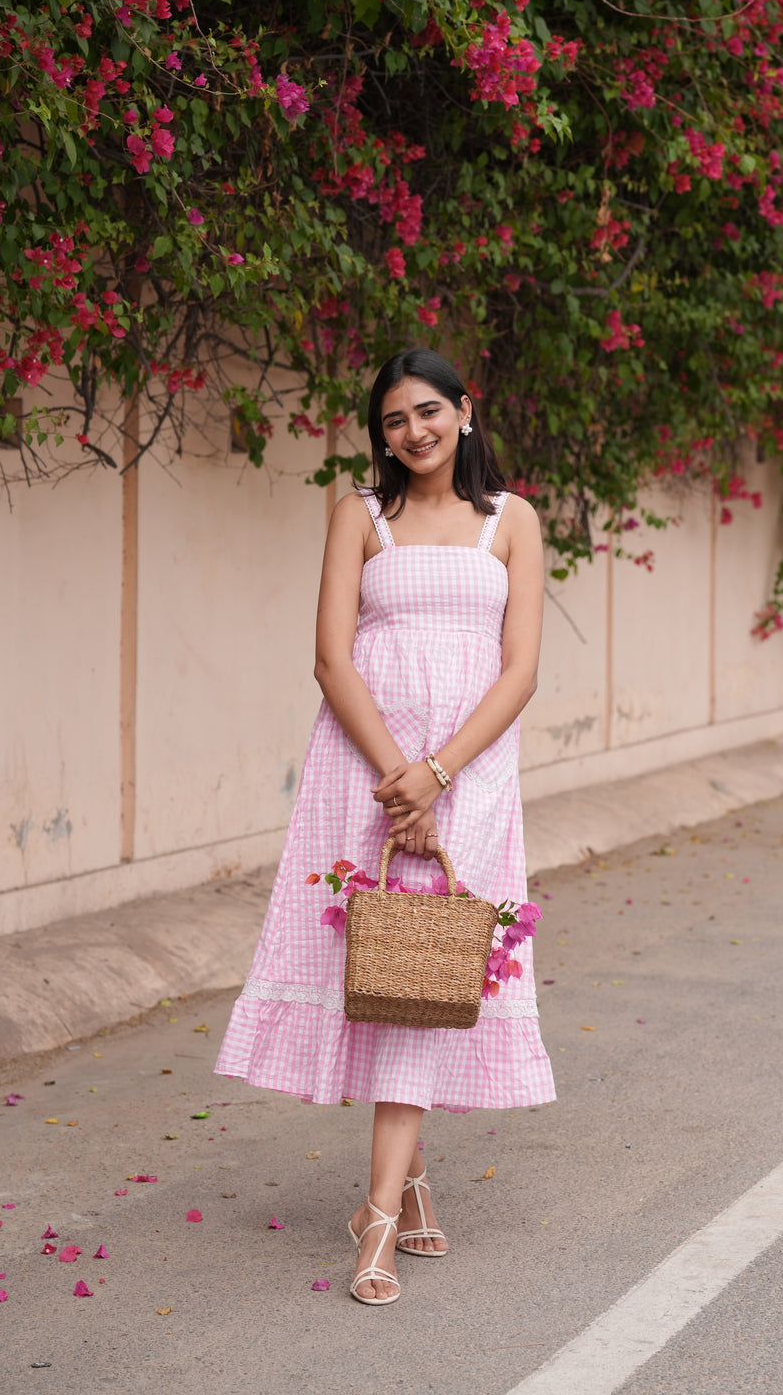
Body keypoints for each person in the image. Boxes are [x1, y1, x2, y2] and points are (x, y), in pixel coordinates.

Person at [214, 346, 556, 1305]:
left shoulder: (513, 523)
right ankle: (398, 1187)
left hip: (470, 781)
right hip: (363, 777)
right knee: (389, 971)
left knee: (427, 973)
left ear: (464, 410)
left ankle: (377, 1207)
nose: (414, 432)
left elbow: (519, 669)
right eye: (395, 421)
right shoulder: (358, 516)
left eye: (429, 412)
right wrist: (397, 781)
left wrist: (439, 777)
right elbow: (330, 658)